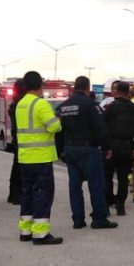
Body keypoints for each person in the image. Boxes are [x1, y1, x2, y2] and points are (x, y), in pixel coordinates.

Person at [56, 76, 119, 230]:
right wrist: (106, 147)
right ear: (87, 88)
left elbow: (58, 131)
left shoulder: (63, 107)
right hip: (88, 149)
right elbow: (101, 128)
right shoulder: (91, 105)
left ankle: (78, 220)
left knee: (74, 185)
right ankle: (99, 218)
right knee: (96, 184)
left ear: (74, 87)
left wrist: (60, 151)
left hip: (70, 149)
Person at [16, 71, 63, 245]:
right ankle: (41, 234)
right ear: (39, 85)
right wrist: (57, 119)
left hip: (25, 158)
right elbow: (54, 127)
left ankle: (25, 231)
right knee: (43, 195)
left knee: (27, 194)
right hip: (40, 158)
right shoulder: (40, 104)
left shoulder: (21, 104)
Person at [103, 81, 134, 216]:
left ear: (118, 91)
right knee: (123, 177)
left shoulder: (111, 107)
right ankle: (121, 206)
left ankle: (108, 201)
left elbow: (103, 125)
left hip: (111, 146)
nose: (112, 92)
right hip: (127, 146)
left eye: (113, 89)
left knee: (107, 175)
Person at [6, 78, 26, 204]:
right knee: (19, 169)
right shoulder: (20, 104)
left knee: (17, 168)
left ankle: (13, 194)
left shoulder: (15, 103)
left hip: (17, 138)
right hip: (21, 139)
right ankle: (16, 194)